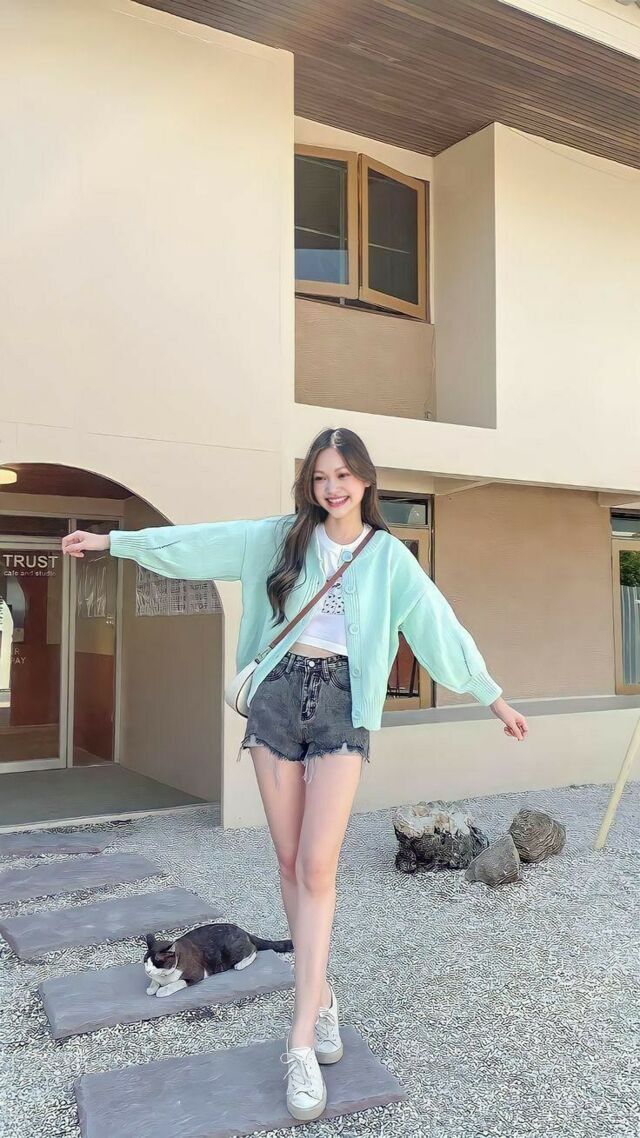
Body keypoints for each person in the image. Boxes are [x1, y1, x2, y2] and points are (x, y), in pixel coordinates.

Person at [62, 426, 528, 1121]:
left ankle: (302, 1038)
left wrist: (491, 695)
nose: (332, 488)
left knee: (317, 865)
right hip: (277, 697)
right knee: (288, 861)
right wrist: (115, 543)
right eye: (320, 477)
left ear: (365, 480)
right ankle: (324, 996)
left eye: (343, 475)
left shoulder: (388, 558)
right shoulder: (280, 538)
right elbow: (202, 543)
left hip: (343, 705)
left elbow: (437, 623)